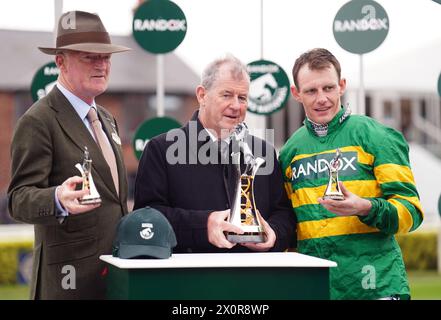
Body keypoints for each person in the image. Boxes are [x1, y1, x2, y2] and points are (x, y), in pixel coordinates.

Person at [279, 48, 424, 300]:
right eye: (311, 91)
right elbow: (291, 226)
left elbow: (411, 213)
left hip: (378, 288)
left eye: (328, 88)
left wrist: (366, 207)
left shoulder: (375, 136)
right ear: (296, 94)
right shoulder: (290, 152)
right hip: (317, 289)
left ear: (342, 86)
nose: (321, 98)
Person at [8, 11, 130, 299]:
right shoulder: (38, 120)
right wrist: (56, 199)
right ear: (60, 61)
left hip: (111, 276)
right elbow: (18, 198)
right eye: (89, 56)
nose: (101, 64)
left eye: (106, 57)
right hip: (68, 281)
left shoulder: (107, 119)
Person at [134, 54, 296, 253]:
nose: (236, 105)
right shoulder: (160, 150)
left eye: (242, 97)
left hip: (255, 277)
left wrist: (274, 234)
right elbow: (146, 218)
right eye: (226, 95)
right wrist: (204, 224)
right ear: (202, 95)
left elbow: (284, 214)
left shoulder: (264, 152)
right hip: (189, 279)